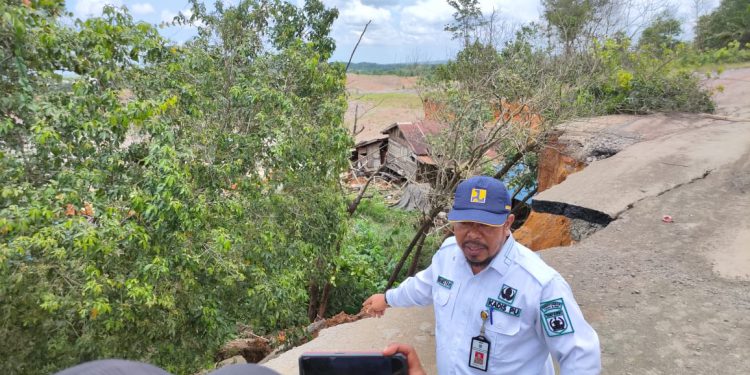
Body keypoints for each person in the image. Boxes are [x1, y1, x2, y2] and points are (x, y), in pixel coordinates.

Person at [363, 176, 601, 374]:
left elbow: (580, 357)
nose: (473, 235)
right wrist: (387, 298)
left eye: (485, 225)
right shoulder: (448, 256)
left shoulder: (541, 285)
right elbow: (423, 286)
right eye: (465, 223)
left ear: (507, 224)